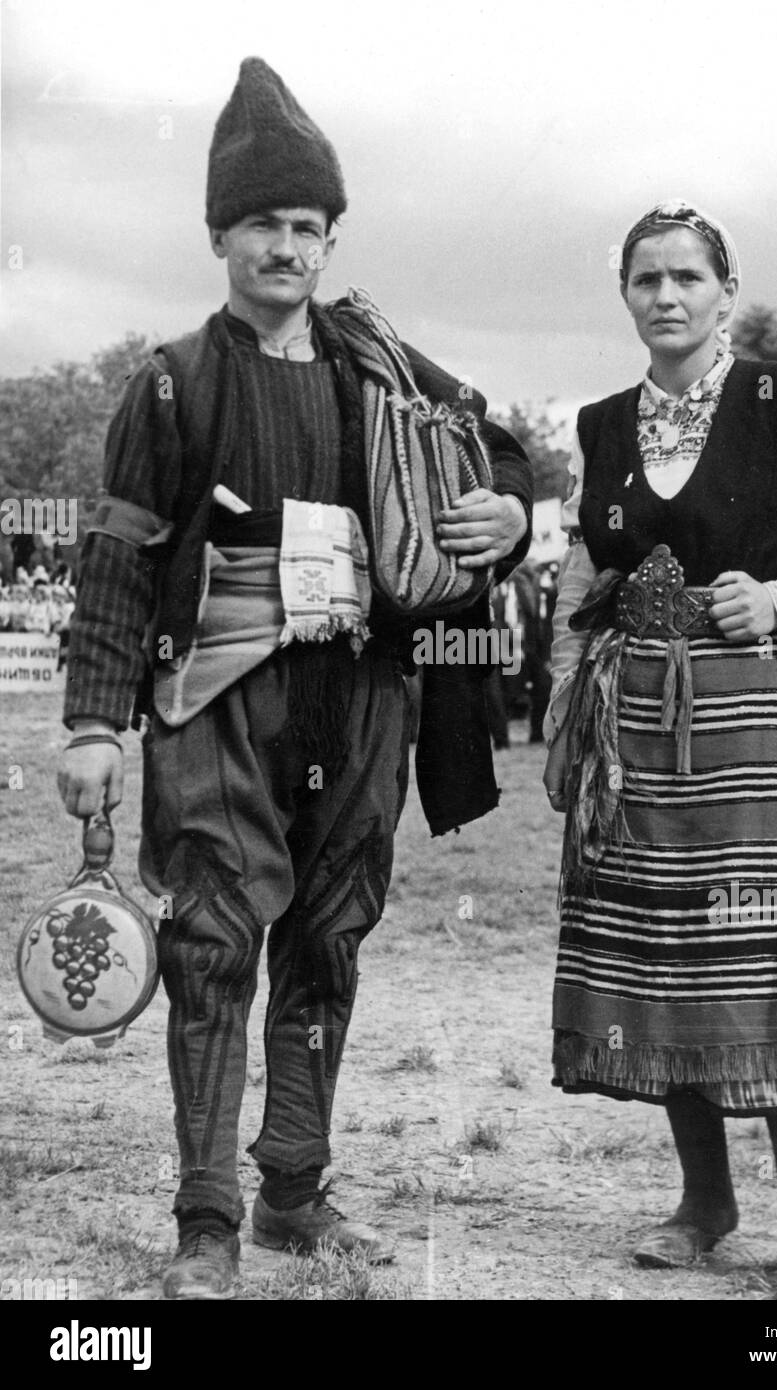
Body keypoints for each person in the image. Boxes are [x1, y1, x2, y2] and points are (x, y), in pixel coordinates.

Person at [57, 57, 532, 1300]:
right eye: (262, 223)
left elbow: (506, 446)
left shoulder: (380, 365)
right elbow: (117, 558)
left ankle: (294, 1190)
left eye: (307, 226)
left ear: (331, 240)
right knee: (212, 942)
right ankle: (205, 1217)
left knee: (328, 941)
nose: (285, 245)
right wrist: (94, 722)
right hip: (213, 699)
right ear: (220, 232)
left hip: (366, 695)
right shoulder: (171, 380)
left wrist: (510, 515)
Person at [542, 200, 777, 1300]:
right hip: (632, 734)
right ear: (625, 295)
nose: (666, 296)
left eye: (687, 278)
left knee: (768, 958)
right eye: (646, 278)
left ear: (724, 293)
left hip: (753, 730)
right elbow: (574, 576)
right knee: (661, 960)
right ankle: (707, 1201)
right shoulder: (601, 425)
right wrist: (567, 711)